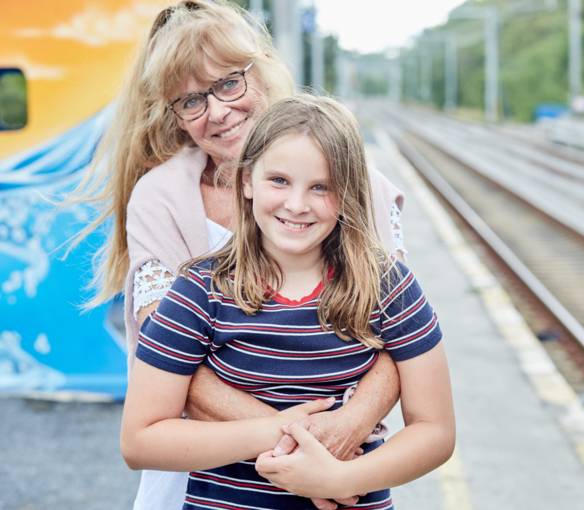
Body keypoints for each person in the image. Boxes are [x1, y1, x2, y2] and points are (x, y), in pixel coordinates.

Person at [73, 1, 405, 508]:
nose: (218, 112)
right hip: (208, 477)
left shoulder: (353, 179)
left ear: (263, 70)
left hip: (342, 473)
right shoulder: (161, 198)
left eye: (229, 82)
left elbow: (398, 337)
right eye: (191, 101)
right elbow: (169, 361)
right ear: (176, 117)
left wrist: (342, 437)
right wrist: (292, 437)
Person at [120, 93, 455, 509]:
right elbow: (140, 439)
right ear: (246, 181)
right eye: (279, 180)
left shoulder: (390, 287)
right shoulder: (198, 291)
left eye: (321, 187)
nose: (297, 205)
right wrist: (280, 431)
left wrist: (340, 477)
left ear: (349, 192)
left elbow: (435, 430)